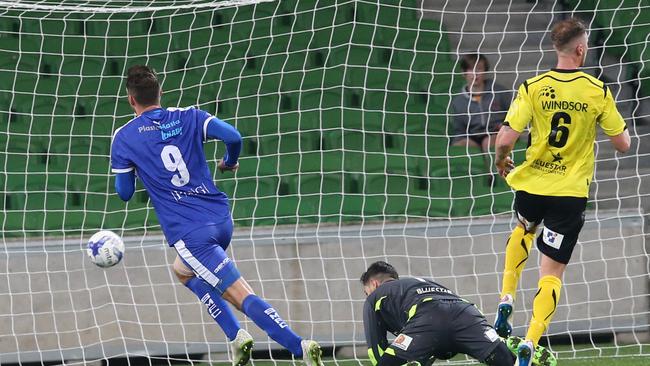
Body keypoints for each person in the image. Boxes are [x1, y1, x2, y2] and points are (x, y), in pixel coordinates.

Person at [110, 65, 324, 366]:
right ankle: (236, 337)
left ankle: (299, 346)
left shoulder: (124, 137)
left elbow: (124, 193)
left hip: (189, 232)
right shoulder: (190, 116)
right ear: (161, 92)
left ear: (131, 100)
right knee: (183, 271)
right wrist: (228, 161)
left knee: (239, 294)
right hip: (220, 218)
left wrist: (136, 169)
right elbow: (234, 136)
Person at [493, 17, 631, 366]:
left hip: (533, 184)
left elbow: (506, 137)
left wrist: (502, 159)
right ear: (581, 49)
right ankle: (531, 340)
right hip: (569, 194)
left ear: (556, 48)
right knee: (551, 273)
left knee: (522, 230)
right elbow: (624, 144)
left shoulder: (534, 86)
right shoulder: (596, 89)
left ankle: (506, 297)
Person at [360, 261, 556, 366]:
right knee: (501, 360)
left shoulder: (375, 296)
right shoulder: (421, 282)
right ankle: (505, 347)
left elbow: (375, 348)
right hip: (467, 313)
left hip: (427, 319)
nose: (367, 295)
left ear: (375, 284)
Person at [451, 54, 512, 177]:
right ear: (464, 73)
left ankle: (493, 178)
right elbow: (459, 129)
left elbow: (514, 112)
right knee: (457, 145)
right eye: (471, 70)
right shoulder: (458, 101)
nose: (475, 74)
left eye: (479, 69)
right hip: (472, 136)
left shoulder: (499, 92)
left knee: (487, 142)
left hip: (494, 133)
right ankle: (475, 179)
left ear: (484, 71)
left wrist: (505, 127)